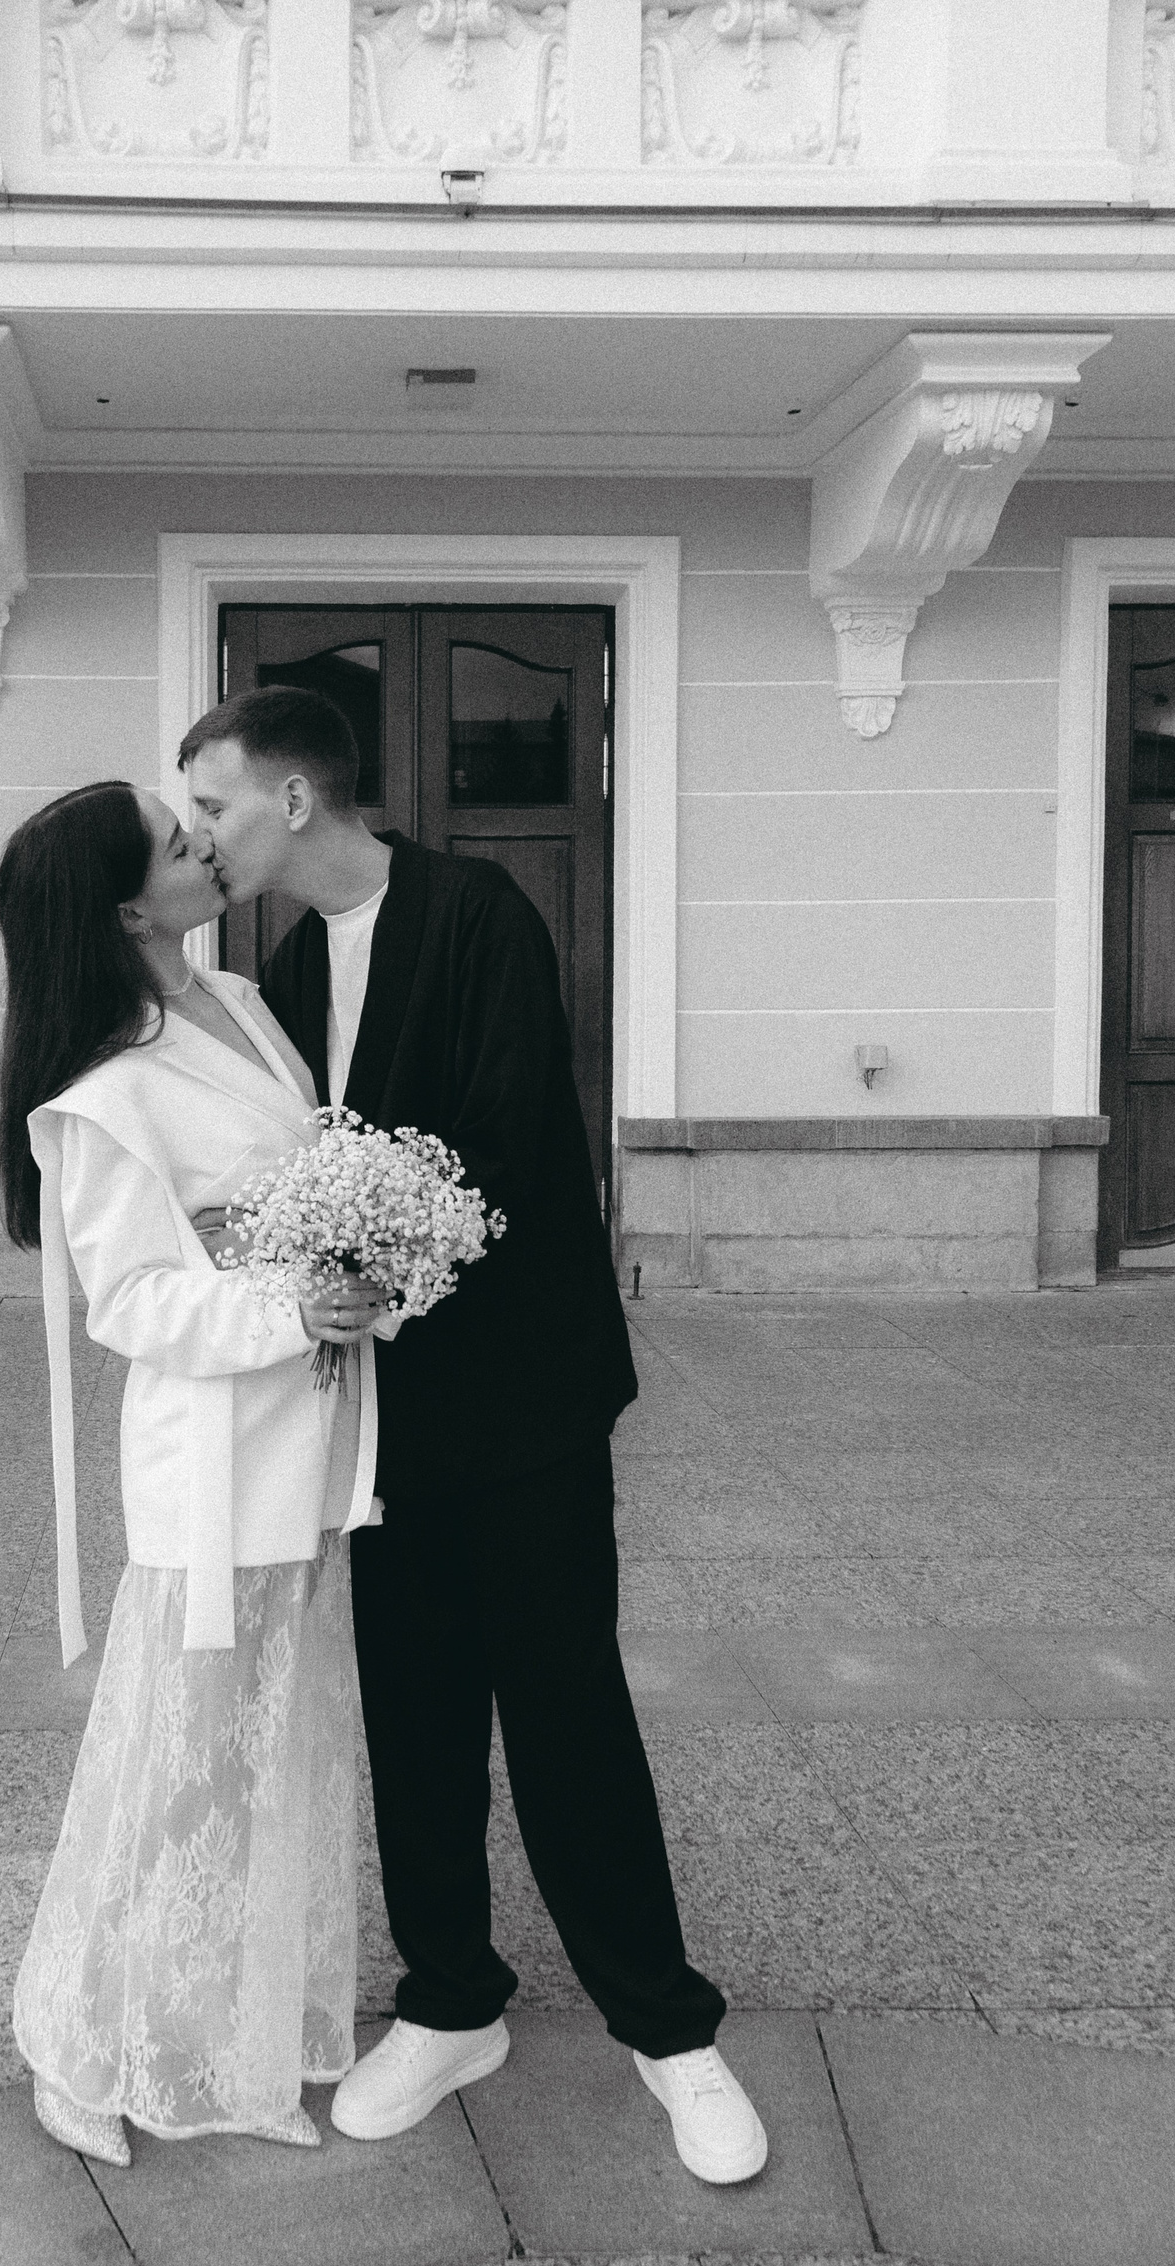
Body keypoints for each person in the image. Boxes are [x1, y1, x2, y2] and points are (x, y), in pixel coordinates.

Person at [182, 688, 768, 2187]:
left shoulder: (477, 912)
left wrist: (356, 1257)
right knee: (416, 1710)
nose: (202, 837)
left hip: (525, 1400)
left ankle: (669, 2026)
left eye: (215, 807)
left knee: (566, 1704)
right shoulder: (286, 968)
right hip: (381, 1419)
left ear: (295, 799)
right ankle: (450, 2003)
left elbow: (504, 1149)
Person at [0, 778, 386, 2166]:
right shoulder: (107, 1090)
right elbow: (132, 1301)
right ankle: (81, 2041)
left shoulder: (246, 1003)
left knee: (273, 1751)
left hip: (308, 1428)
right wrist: (293, 1304)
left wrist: (357, 1264)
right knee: (176, 1765)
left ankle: (240, 2034)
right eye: (177, 842)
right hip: (211, 1458)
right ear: (124, 909)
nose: (205, 844)